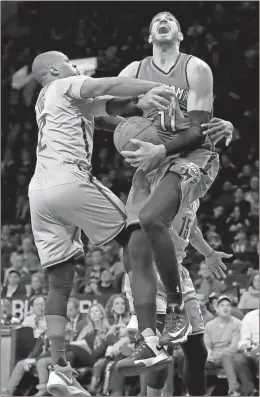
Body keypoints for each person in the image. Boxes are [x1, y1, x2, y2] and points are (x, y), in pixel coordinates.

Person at [29, 50, 175, 396]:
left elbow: (108, 115)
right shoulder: (66, 84)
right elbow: (109, 84)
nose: (75, 67)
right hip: (69, 180)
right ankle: (149, 338)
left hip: (38, 194)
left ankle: (59, 368)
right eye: (69, 61)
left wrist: (139, 109)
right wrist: (155, 86)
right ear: (54, 69)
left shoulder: (43, 101)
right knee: (138, 233)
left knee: (59, 281)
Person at [97, 10, 234, 372]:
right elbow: (108, 108)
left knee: (151, 217)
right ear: (149, 36)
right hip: (151, 162)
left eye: (170, 19)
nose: (164, 20)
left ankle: (175, 309)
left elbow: (199, 131)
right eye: (158, 18)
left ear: (179, 34)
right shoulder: (133, 71)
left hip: (192, 156)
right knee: (135, 249)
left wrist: (160, 150)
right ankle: (148, 341)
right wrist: (135, 104)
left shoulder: (195, 69)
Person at [119, 200, 231, 396]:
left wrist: (209, 253)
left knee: (197, 351)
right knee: (161, 352)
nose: (209, 173)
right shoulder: (163, 187)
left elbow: (191, 229)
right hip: (149, 273)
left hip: (178, 275)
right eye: (207, 169)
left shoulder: (193, 197)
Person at [204, 296, 241, 396]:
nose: (225, 308)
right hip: (213, 356)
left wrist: (219, 354)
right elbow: (206, 344)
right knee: (197, 358)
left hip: (229, 355)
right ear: (217, 308)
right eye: (222, 305)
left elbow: (234, 345)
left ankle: (233, 389)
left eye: (228, 305)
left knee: (227, 355)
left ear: (231, 308)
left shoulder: (238, 324)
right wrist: (209, 353)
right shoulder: (209, 325)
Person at [234, 309, 259, 396]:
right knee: (238, 360)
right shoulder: (249, 316)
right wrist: (245, 348)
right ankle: (250, 391)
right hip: (253, 349)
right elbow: (244, 339)